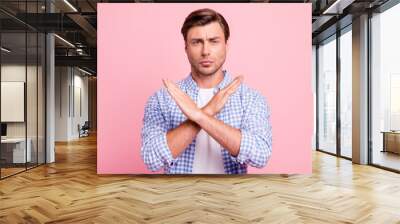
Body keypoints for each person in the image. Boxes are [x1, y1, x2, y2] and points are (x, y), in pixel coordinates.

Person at [141, 8, 272, 174]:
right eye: (197, 42)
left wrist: (199, 116)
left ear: (226, 45)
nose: (205, 51)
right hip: (178, 197)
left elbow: (260, 155)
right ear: (186, 48)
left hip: (230, 198)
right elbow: (151, 159)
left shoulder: (250, 98)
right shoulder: (162, 99)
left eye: (214, 41)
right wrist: (208, 110)